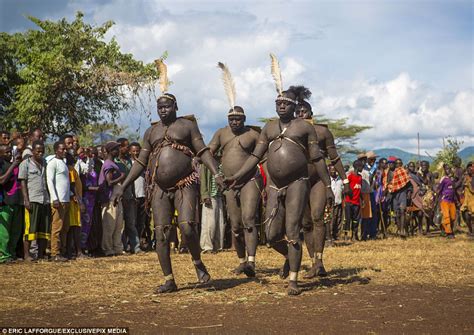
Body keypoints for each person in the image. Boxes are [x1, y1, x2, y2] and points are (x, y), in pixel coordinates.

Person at [112, 59, 223, 293]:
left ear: (175, 107)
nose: (163, 110)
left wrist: (217, 173)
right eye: (160, 107)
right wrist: (123, 185)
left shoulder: (186, 126)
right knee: (161, 232)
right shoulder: (151, 131)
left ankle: (197, 263)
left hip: (185, 184)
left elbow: (202, 151)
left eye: (167, 107)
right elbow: (141, 161)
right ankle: (169, 279)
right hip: (159, 187)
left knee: (187, 227)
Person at [228, 83, 332, 295]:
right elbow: (256, 156)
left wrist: (328, 185)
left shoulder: (304, 127)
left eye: (285, 103)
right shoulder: (269, 128)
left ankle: (293, 281)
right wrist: (237, 176)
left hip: (298, 183)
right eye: (278, 103)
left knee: (293, 230)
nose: (281, 106)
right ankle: (289, 255)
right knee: (272, 234)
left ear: (294, 106)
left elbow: (317, 158)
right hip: (274, 185)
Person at [209, 63, 263, 276]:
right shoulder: (221, 133)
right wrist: (209, 168)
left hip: (250, 181)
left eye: (238, 119)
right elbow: (209, 152)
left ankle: (251, 261)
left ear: (245, 119)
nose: (234, 122)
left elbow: (264, 154)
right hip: (229, 183)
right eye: (231, 119)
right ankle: (241, 261)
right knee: (235, 225)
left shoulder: (252, 134)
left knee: (249, 220)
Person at [293, 86, 343, 278]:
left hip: (319, 180)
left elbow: (335, 158)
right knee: (305, 224)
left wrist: (344, 180)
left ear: (311, 113)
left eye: (304, 111)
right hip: (298, 180)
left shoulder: (322, 132)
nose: (300, 114)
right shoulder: (289, 132)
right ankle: (313, 262)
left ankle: (320, 262)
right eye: (297, 112)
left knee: (317, 217)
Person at [19, 140, 50, 261]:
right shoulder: (25, 164)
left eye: (42, 151)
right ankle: (27, 255)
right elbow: (23, 182)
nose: (40, 153)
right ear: (32, 151)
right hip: (32, 200)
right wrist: (26, 200)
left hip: (44, 200)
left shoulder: (45, 163)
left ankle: (41, 254)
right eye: (38, 151)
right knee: (30, 229)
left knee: (43, 229)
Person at [99, 141, 125, 256]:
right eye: (116, 149)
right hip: (110, 199)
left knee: (118, 225)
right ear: (110, 151)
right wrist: (121, 177)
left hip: (117, 199)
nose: (118, 151)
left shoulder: (113, 163)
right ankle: (108, 249)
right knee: (110, 225)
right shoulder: (108, 165)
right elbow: (109, 182)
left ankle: (117, 248)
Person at [116, 138, 141, 254]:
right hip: (120, 197)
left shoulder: (129, 162)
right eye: (126, 146)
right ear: (120, 147)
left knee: (131, 223)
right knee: (119, 225)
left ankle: (136, 247)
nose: (127, 148)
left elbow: (132, 180)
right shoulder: (115, 162)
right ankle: (122, 247)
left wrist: (134, 195)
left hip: (130, 196)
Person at [46, 141, 70, 262]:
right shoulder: (53, 163)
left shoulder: (63, 163)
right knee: (56, 227)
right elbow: (50, 181)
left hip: (66, 200)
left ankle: (62, 250)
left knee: (64, 228)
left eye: (65, 149)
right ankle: (54, 253)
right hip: (58, 201)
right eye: (62, 149)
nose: (65, 151)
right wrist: (54, 198)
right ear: (56, 150)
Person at [0, 144, 22, 263]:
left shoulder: (16, 165)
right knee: (5, 232)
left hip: (17, 201)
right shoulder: (2, 165)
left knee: (16, 231)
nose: (9, 154)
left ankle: (12, 254)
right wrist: (13, 165)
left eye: (10, 152)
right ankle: (4, 255)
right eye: (6, 152)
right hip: (6, 202)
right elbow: (2, 180)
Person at [129, 142, 151, 251]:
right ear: (130, 152)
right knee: (131, 222)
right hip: (134, 197)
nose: (136, 153)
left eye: (138, 151)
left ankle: (137, 245)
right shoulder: (129, 164)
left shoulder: (144, 164)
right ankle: (132, 245)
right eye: (133, 151)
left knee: (141, 223)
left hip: (143, 196)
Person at [199, 163, 225, 254]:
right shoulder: (206, 163)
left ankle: (217, 246)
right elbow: (203, 179)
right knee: (209, 223)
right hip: (210, 195)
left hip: (219, 195)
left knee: (220, 222)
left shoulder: (221, 162)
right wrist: (205, 194)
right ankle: (207, 247)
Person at [388, 158, 411, 238]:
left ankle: (402, 230)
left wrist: (408, 192)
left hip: (402, 193)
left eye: (400, 163)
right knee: (397, 213)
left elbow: (409, 184)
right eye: (397, 163)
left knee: (402, 211)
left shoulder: (404, 172)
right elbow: (389, 183)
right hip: (394, 195)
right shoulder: (391, 173)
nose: (398, 165)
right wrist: (391, 188)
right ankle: (399, 229)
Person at [436, 163, 458, 239]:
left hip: (452, 201)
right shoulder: (443, 179)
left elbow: (454, 189)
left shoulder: (453, 179)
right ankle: (449, 233)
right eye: (447, 169)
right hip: (444, 200)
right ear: (444, 170)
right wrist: (437, 202)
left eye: (449, 169)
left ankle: (443, 229)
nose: (448, 170)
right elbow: (439, 190)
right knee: (446, 217)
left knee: (453, 217)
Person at [344, 160, 363, 241]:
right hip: (349, 201)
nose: (362, 168)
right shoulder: (350, 176)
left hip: (357, 202)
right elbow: (345, 189)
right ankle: (346, 235)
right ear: (357, 167)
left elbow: (359, 189)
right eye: (361, 166)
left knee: (356, 220)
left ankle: (354, 235)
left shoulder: (360, 177)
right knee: (347, 219)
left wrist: (362, 200)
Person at [328, 165, 344, 242]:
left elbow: (343, 191)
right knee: (331, 220)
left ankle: (336, 235)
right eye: (332, 170)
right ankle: (329, 235)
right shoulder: (328, 181)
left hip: (339, 203)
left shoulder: (340, 180)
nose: (333, 172)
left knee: (338, 219)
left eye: (335, 170)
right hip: (330, 204)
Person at [461, 162, 474, 236]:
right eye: (468, 168)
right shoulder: (465, 178)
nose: (470, 170)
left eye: (471, 168)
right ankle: (470, 230)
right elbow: (460, 187)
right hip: (466, 200)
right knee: (465, 215)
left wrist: (469, 185)